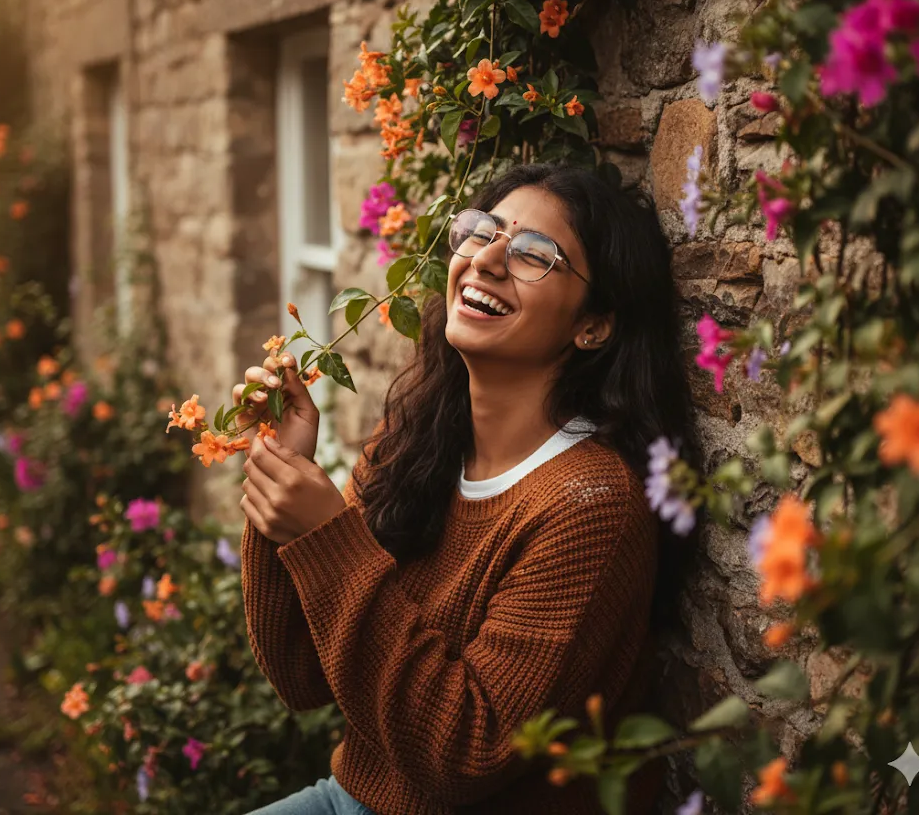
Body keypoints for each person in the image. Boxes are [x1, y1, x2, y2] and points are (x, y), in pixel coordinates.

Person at [234, 163, 700, 815]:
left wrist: (323, 536)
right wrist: (277, 489)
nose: (487, 259)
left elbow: (467, 753)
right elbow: (301, 675)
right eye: (483, 233)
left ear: (593, 325)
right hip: (352, 799)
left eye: (536, 253)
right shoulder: (416, 440)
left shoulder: (592, 507)